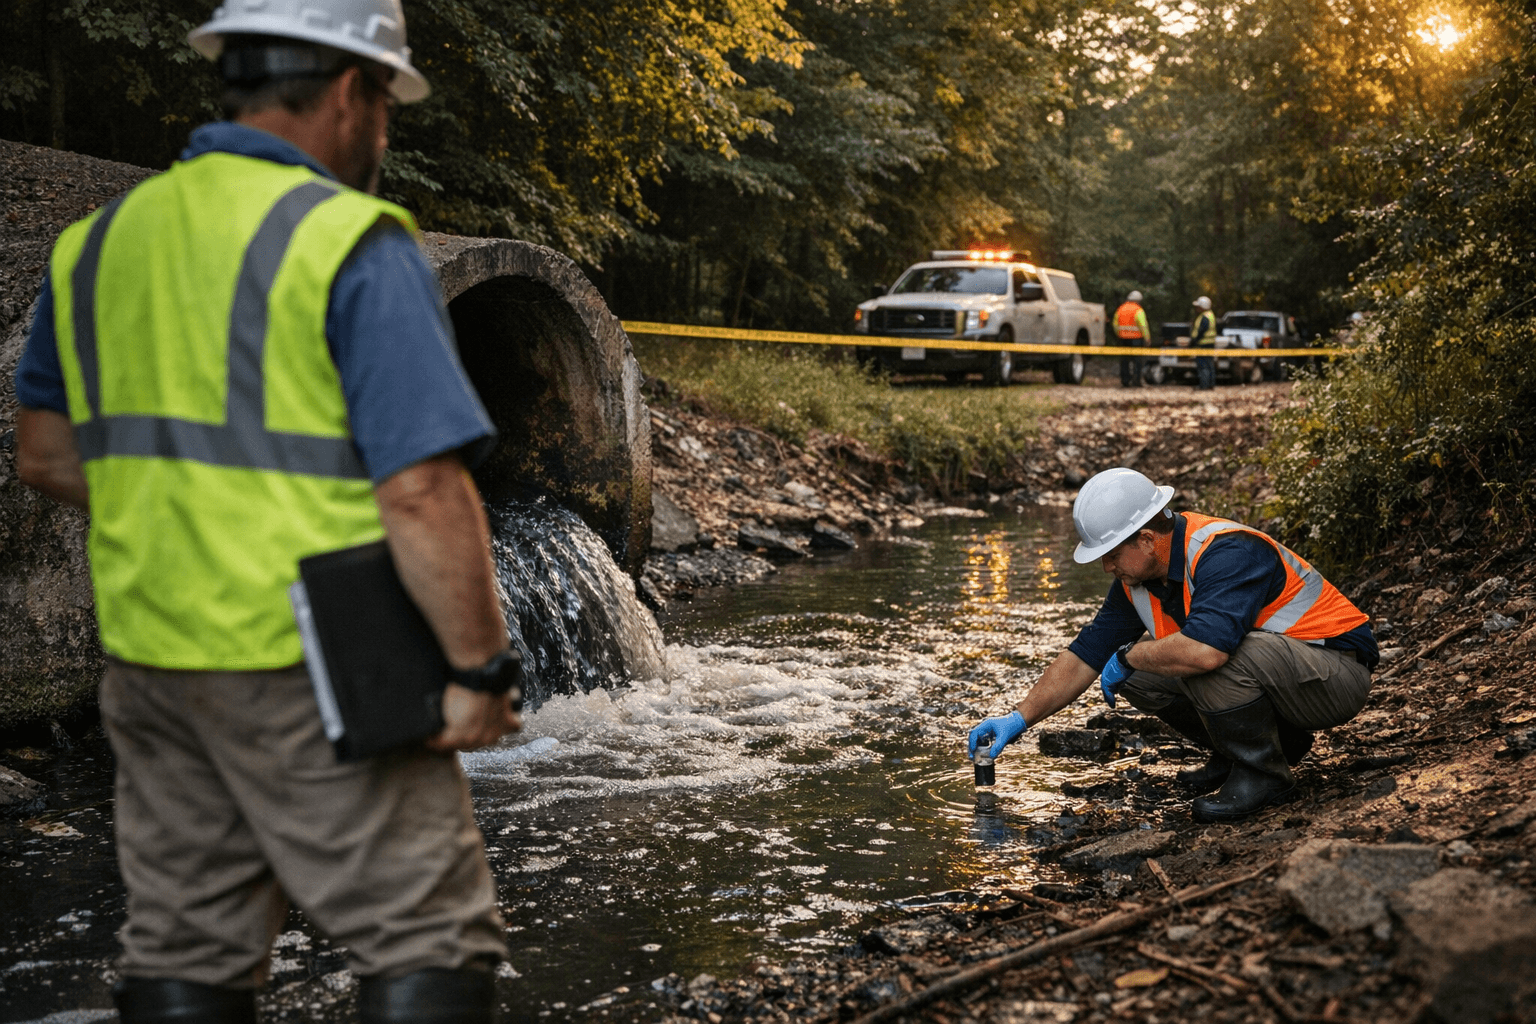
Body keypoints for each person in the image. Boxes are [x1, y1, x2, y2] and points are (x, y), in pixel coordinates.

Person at [13, 2, 521, 1021]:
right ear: (350, 90)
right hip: (317, 658)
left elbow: (47, 453)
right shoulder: (350, 242)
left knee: (187, 949)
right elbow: (421, 487)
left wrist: (188, 511)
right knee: (431, 937)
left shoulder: (99, 244)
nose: (383, 132)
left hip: (153, 658)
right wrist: (477, 669)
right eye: (386, 103)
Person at [967, 468, 1377, 824]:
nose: (1107, 568)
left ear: (1146, 539)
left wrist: (1129, 655)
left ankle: (1264, 774)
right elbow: (1084, 656)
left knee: (1196, 656)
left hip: (1336, 673)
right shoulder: (1138, 580)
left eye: (1110, 555)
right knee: (1142, 675)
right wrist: (1018, 718)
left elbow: (1205, 652)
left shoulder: (1226, 552)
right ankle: (1254, 750)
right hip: (1286, 675)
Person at [1114, 290, 1152, 388]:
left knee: (1124, 361)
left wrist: (1119, 334)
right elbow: (1143, 325)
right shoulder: (1138, 310)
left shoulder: (1120, 309)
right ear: (1139, 300)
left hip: (1123, 339)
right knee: (1137, 361)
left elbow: (1115, 324)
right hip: (1136, 339)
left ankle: (1125, 381)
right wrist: (1147, 338)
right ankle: (1136, 381)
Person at [1190, 296, 1217, 390]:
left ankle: (1204, 385)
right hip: (1210, 343)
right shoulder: (1210, 314)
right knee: (1209, 365)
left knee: (1203, 365)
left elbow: (1201, 330)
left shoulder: (1205, 316)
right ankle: (1210, 384)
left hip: (1203, 343)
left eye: (1198, 306)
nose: (1196, 308)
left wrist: (1194, 341)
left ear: (1203, 306)